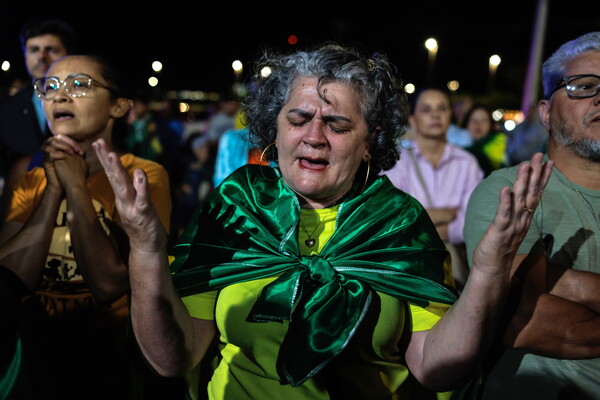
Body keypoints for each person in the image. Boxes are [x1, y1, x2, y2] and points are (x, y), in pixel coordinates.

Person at [93, 43, 552, 400]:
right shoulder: (236, 206)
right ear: (274, 129)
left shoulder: (399, 223)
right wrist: (146, 249)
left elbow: (435, 367)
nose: (314, 137)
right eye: (299, 119)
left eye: (337, 125)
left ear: (370, 142)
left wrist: (489, 270)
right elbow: (173, 358)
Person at [0, 54, 172, 399]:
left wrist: (76, 186)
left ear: (118, 106)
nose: (60, 96)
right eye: (50, 87)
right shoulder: (30, 176)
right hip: (34, 362)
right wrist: (53, 189)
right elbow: (9, 281)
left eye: (79, 85)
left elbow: (109, 284)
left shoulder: (142, 176)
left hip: (108, 365)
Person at [463, 31, 600, 399]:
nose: (599, 96)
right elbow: (519, 317)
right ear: (546, 113)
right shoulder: (509, 191)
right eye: (584, 86)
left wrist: (550, 279)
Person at [384, 88, 484, 291]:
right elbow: (392, 218)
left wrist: (419, 224)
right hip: (406, 268)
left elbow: (471, 220)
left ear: (450, 116)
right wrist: (447, 214)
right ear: (413, 119)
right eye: (426, 109)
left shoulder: (467, 163)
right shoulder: (397, 162)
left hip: (453, 270)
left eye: (441, 108)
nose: (435, 115)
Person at [0, 18, 76, 222]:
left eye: (51, 49)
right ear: (25, 55)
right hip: (20, 215)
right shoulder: (6, 109)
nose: (42, 57)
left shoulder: (86, 105)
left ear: (67, 54)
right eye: (34, 50)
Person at [462, 104, 507, 176]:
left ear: (490, 124)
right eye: (473, 121)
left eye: (483, 121)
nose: (478, 125)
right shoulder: (455, 146)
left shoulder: (501, 146)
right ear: (466, 124)